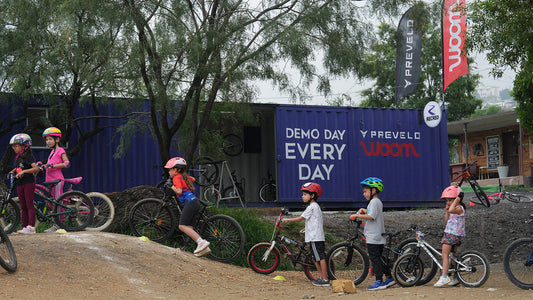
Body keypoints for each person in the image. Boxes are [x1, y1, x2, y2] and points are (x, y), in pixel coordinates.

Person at [281, 182, 330, 287]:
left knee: (320, 257)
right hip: (315, 236)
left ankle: (325, 279)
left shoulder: (311, 207)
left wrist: (286, 220)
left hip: (315, 237)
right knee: (314, 257)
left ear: (312, 195)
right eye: (303, 194)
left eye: (305, 194)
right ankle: (321, 277)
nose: (302, 196)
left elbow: (299, 219)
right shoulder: (315, 207)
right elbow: (315, 221)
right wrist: (306, 228)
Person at [350, 177, 394, 290]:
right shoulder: (376, 202)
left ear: (373, 190)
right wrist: (365, 210)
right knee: (379, 257)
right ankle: (389, 278)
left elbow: (371, 216)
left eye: (365, 191)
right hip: (377, 235)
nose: (363, 193)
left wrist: (357, 215)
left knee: (375, 259)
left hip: (373, 236)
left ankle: (379, 281)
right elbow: (372, 213)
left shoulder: (373, 202)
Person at [164, 157, 211, 257]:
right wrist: (185, 179)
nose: (168, 172)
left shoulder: (176, 178)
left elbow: (179, 191)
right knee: (189, 228)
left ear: (176, 170)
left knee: (182, 226)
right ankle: (203, 249)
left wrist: (171, 185)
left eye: (170, 169)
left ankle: (201, 242)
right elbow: (193, 179)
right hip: (195, 202)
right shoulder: (183, 176)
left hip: (190, 203)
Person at [434, 185, 465, 287]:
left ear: (458, 199)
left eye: (450, 200)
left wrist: (456, 200)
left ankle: (444, 277)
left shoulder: (460, 208)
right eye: (447, 200)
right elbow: (447, 220)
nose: (448, 202)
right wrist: (447, 210)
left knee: (445, 255)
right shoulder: (455, 208)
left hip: (451, 234)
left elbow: (452, 210)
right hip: (454, 233)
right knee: (452, 257)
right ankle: (456, 277)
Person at [9, 133, 39, 234]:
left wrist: (24, 172)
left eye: (16, 146)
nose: (14, 148)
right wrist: (13, 171)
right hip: (20, 183)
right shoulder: (18, 157)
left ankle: (31, 227)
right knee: (23, 205)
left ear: (24, 146)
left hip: (28, 182)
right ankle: (25, 226)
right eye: (13, 146)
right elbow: (20, 167)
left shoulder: (28, 156)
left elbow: (36, 168)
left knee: (29, 204)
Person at [41, 127, 70, 233]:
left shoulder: (60, 150)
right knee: (54, 203)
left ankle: (58, 225)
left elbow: (67, 163)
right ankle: (56, 224)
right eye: (46, 139)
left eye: (50, 139)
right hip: (51, 181)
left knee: (58, 202)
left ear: (57, 140)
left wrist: (53, 166)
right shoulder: (52, 152)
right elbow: (49, 165)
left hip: (57, 180)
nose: (48, 141)